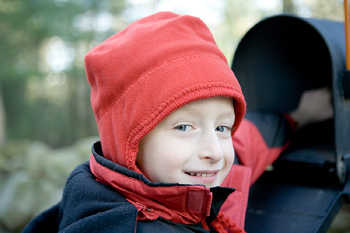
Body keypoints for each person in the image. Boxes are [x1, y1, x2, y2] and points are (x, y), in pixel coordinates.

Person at [22, 12, 333, 233]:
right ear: (132, 139)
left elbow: (245, 146)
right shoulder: (123, 226)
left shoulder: (183, 179)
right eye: (185, 127)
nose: (214, 150)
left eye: (222, 127)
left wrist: (297, 117)